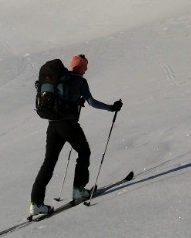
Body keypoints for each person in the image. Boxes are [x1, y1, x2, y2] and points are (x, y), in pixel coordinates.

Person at [29, 54, 122, 217]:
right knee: (84, 152)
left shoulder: (60, 79)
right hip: (68, 125)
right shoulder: (79, 81)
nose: (86, 70)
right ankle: (78, 189)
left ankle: (36, 203)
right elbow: (92, 102)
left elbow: (63, 97)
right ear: (81, 67)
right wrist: (111, 108)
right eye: (85, 66)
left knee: (49, 162)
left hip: (53, 124)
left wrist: (73, 101)